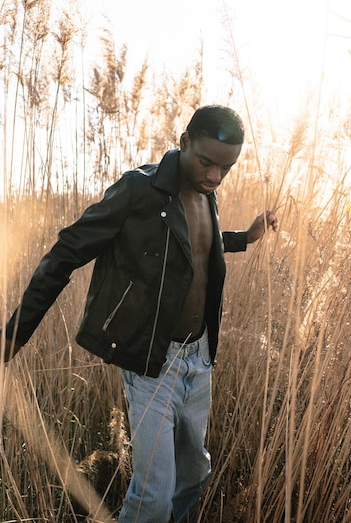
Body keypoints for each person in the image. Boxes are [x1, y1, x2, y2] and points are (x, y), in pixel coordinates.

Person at [1, 105, 278, 522]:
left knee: (194, 475)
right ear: (183, 143)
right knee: (152, 498)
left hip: (199, 358)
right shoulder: (138, 190)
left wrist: (246, 237)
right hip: (154, 364)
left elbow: (197, 246)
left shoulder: (207, 192)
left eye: (227, 168)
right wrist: (13, 335)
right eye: (206, 162)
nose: (215, 176)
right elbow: (65, 253)